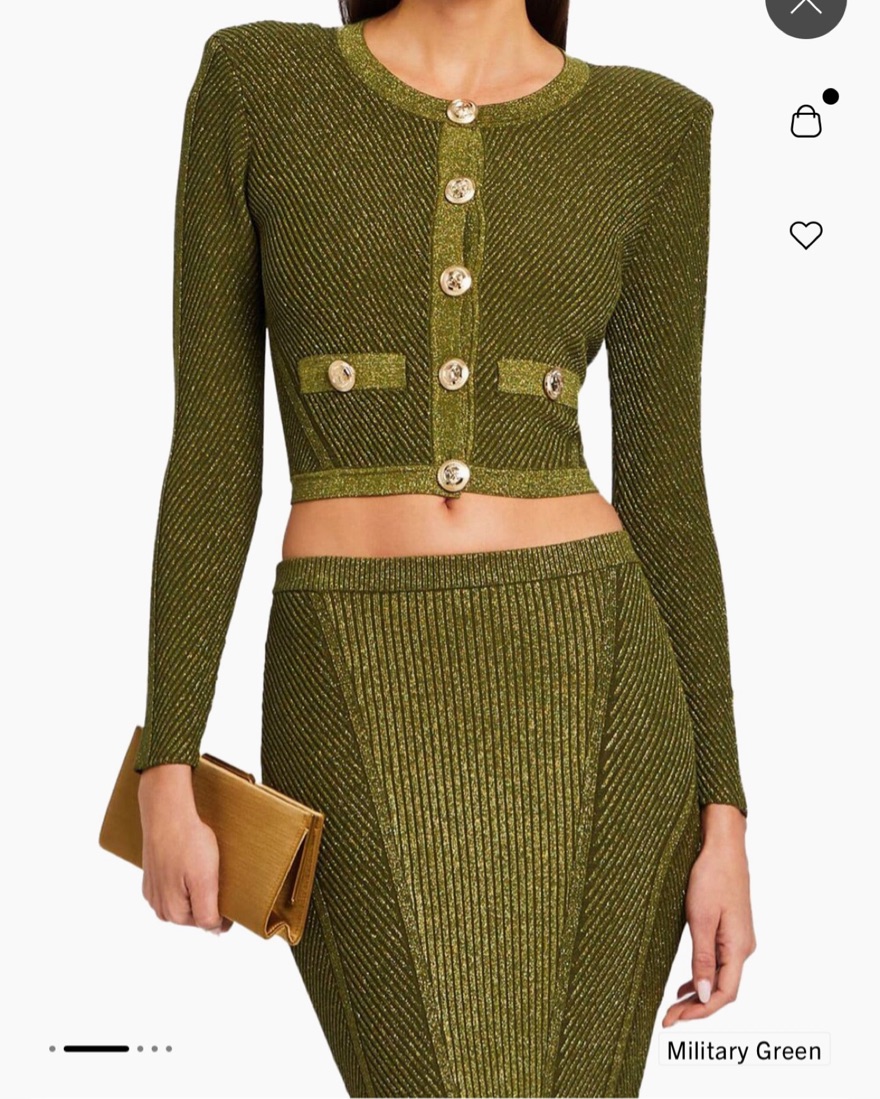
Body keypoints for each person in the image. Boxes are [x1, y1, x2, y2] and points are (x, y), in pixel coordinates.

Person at [134, 1, 756, 1095]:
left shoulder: (653, 130)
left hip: (599, 686)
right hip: (349, 676)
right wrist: (166, 758)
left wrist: (725, 815)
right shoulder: (258, 83)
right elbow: (213, 451)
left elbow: (666, 489)